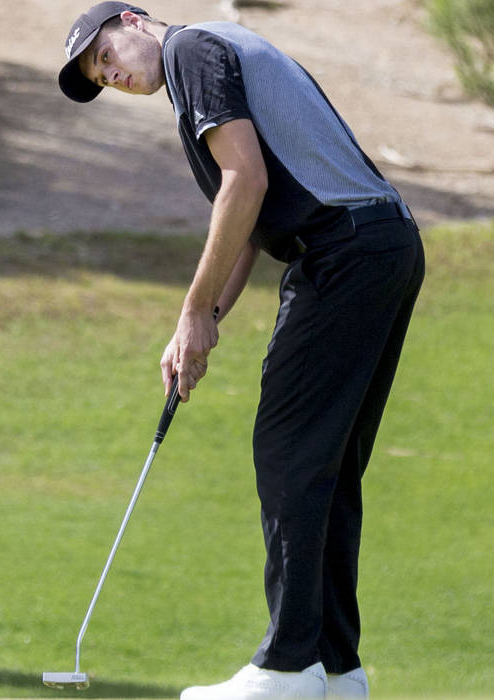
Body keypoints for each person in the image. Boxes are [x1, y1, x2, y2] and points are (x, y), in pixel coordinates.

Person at [58, 3, 425, 699]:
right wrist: (202, 322)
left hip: (344, 253)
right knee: (327, 464)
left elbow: (245, 182)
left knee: (288, 449)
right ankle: (337, 669)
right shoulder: (212, 54)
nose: (114, 76)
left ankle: (289, 667)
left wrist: (193, 309)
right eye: (102, 77)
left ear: (134, 20)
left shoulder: (190, 53)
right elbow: (251, 219)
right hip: (384, 245)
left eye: (107, 56)